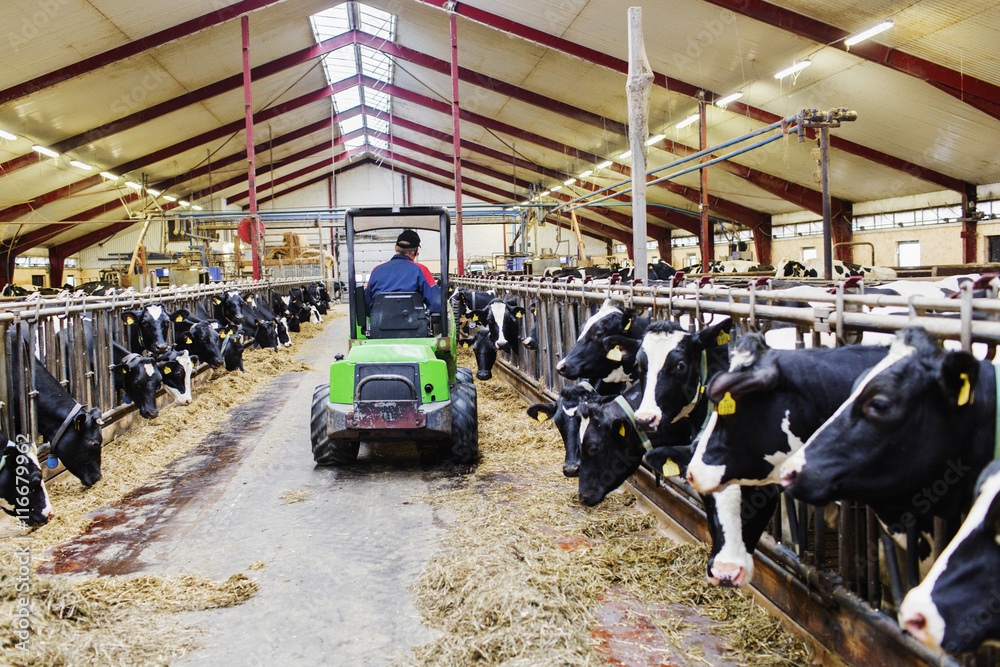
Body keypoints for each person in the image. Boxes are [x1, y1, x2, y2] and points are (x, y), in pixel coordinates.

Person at [365, 229, 441, 312]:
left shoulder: (376, 270)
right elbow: (437, 303)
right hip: (413, 324)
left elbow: (367, 305)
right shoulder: (421, 270)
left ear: (395, 247)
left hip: (379, 323)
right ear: (416, 251)